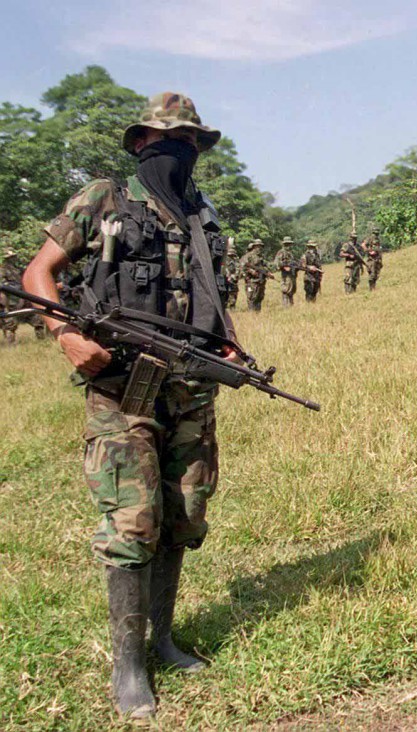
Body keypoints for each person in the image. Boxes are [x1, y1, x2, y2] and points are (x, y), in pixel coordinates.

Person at [21, 92, 238, 720]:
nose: (177, 151)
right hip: (122, 387)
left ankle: (162, 639)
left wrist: (227, 348)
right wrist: (65, 335)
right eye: (163, 140)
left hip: (191, 389)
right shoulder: (104, 200)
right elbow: (41, 272)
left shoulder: (204, 213)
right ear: (140, 143)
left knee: (184, 514)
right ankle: (128, 663)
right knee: (132, 522)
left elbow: (210, 301)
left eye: (188, 142)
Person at [1, 248, 46, 342]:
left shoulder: (18, 270)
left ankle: (42, 342)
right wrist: (4, 305)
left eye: (13, 257)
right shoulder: (2, 271)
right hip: (10, 301)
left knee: (38, 320)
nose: (14, 258)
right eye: (11, 257)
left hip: (23, 298)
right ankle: (11, 348)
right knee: (10, 325)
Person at [241, 239, 269, 311]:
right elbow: (242, 266)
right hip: (252, 281)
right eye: (257, 246)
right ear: (254, 246)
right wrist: (251, 271)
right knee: (252, 298)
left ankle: (257, 314)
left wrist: (266, 271)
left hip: (261, 281)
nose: (259, 248)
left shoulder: (261, 257)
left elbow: (265, 266)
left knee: (260, 297)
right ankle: (251, 314)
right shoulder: (248, 256)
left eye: (260, 246)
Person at [273, 236, 298, 307]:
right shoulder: (281, 252)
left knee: (292, 290)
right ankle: (285, 306)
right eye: (287, 244)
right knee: (285, 290)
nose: (288, 246)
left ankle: (291, 305)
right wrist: (284, 267)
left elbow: (295, 262)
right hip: (285, 275)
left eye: (289, 244)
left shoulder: (291, 253)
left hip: (292, 274)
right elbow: (276, 263)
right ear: (284, 244)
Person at [223, 242, 240, 309]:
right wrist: (228, 276)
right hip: (225, 280)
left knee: (233, 294)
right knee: (225, 295)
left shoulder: (235, 260)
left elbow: (238, 269)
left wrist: (235, 275)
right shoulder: (223, 260)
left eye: (232, 255)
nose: (231, 257)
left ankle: (232, 307)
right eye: (230, 255)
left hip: (233, 281)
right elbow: (223, 269)